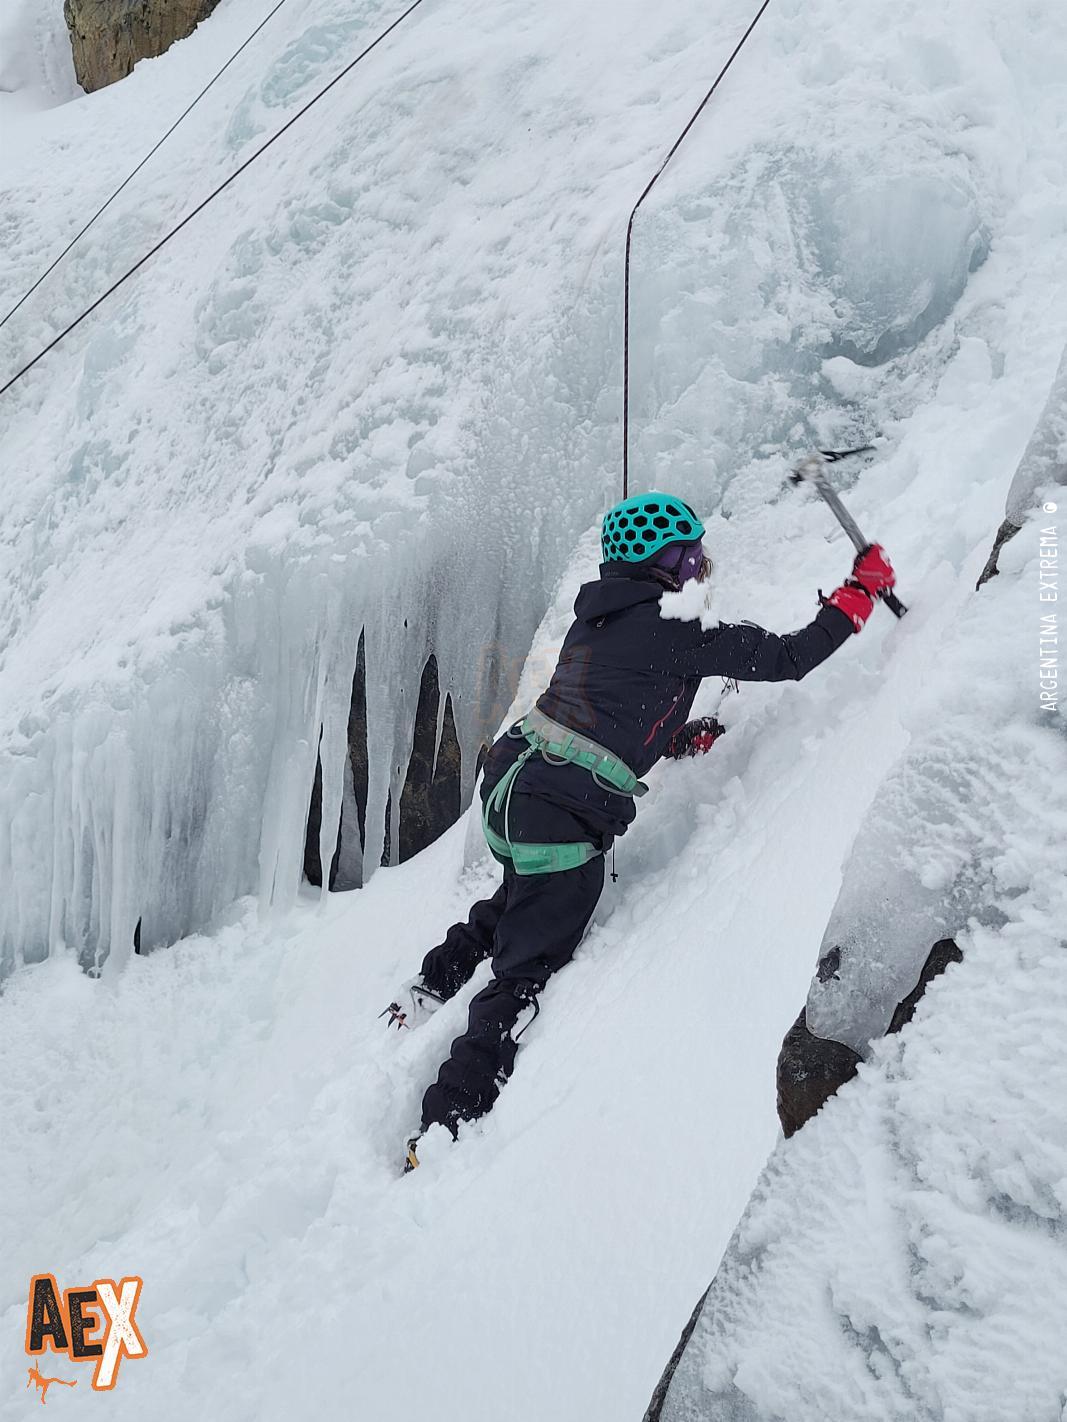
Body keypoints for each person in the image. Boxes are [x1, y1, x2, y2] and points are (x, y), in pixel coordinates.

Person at [386, 492, 896, 1168]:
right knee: (527, 969)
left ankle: (430, 983)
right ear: (666, 560)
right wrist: (858, 595)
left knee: (524, 892)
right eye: (690, 554)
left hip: (517, 781)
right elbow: (787, 658)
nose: (699, 566)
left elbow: (613, 705)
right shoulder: (671, 627)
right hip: (558, 806)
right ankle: (445, 1120)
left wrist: (677, 738)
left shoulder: (596, 621)